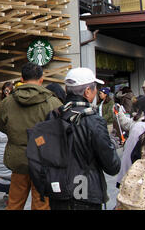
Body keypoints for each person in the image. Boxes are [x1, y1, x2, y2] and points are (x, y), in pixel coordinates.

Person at [48, 68, 120, 210]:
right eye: (95, 88)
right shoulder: (93, 120)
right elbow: (112, 166)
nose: (96, 92)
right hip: (85, 193)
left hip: (58, 191)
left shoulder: (53, 115)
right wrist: (111, 143)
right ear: (87, 91)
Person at [0, 62, 62, 210]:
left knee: (14, 203)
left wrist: (15, 133)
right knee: (41, 204)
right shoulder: (53, 102)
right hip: (43, 160)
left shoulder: (7, 102)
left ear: (22, 79)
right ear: (41, 79)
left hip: (18, 159)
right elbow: (60, 130)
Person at [115, 100, 145, 189]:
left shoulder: (143, 126)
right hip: (142, 184)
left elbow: (132, 155)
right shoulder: (141, 126)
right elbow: (130, 155)